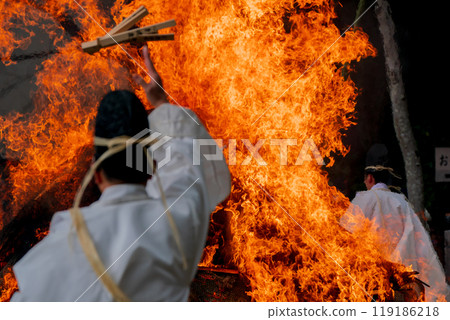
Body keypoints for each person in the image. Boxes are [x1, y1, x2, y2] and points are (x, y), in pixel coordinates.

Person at [10, 45, 231, 301]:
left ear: (97, 172)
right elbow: (184, 158)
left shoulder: (65, 245)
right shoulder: (176, 224)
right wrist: (160, 104)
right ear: (151, 170)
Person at [341, 144, 449, 301]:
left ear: (369, 178)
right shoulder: (403, 202)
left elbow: (345, 237)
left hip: (371, 281)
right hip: (401, 283)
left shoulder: (364, 199)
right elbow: (419, 242)